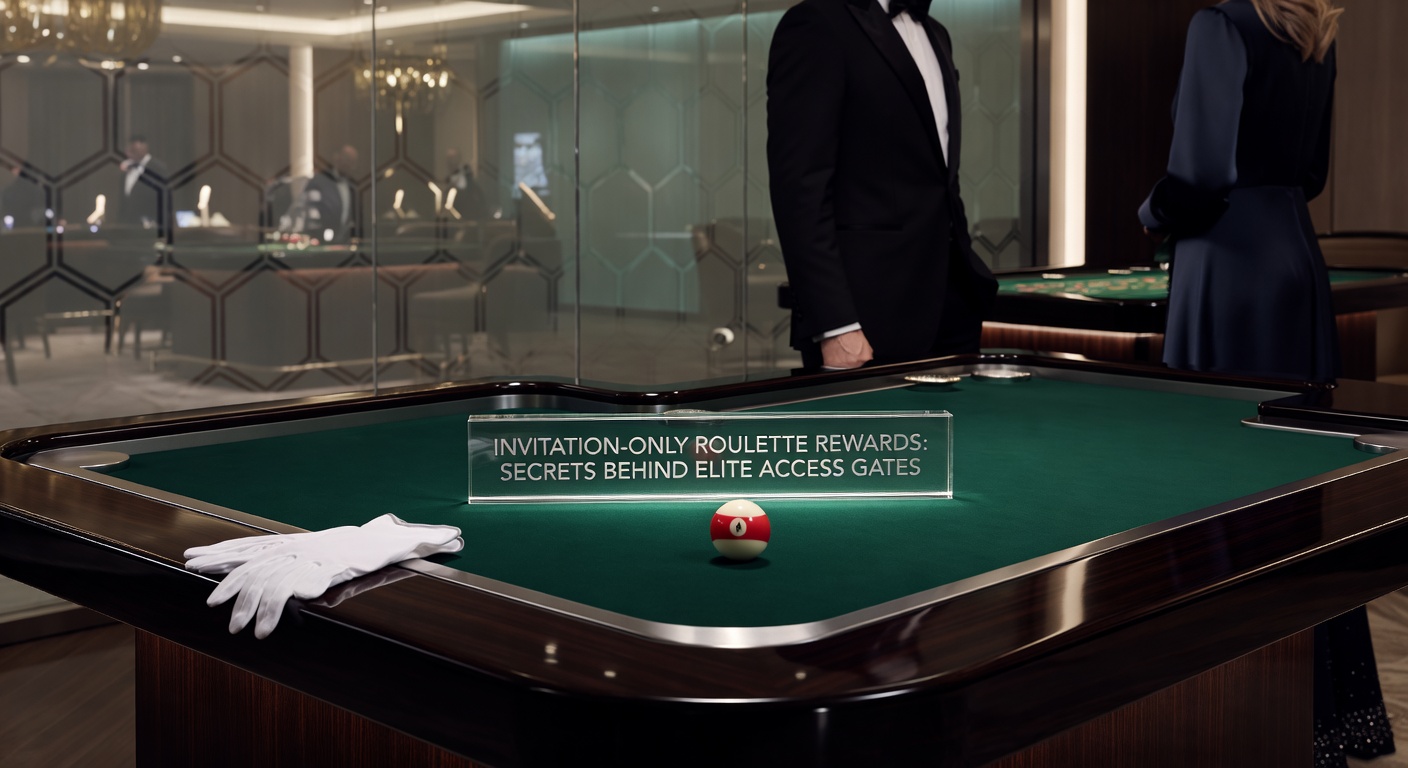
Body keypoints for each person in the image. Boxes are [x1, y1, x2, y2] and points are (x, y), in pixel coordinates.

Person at [1140, 3, 1393, 766]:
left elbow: (1199, 174)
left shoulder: (1220, 24)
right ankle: (1330, 721)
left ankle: (1231, 722)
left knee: (1215, 496)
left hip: (1227, 270)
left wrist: (1151, 212)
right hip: (1293, 260)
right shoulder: (1317, 28)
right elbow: (1311, 172)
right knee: (1297, 500)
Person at [766, 0, 997, 370]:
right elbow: (800, 189)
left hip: (953, 309)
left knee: (965, 429)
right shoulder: (817, 23)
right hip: (866, 315)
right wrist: (835, 324)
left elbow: (938, 179)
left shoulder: (937, 33)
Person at [301, 144, 362, 243]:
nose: (349, 164)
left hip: (345, 244)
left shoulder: (354, 186)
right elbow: (308, 212)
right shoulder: (320, 181)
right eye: (346, 158)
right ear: (336, 157)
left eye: (352, 161)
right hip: (320, 243)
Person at [117, 135, 169, 235]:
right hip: (128, 227)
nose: (129, 151)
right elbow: (123, 201)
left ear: (144, 147)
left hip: (151, 226)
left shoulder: (158, 168)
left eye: (134, 149)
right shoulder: (126, 169)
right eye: (128, 149)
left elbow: (164, 197)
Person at [444, 148, 488, 220]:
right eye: (449, 158)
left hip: (468, 218)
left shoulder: (468, 180)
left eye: (453, 157)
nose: (451, 161)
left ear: (458, 159)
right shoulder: (448, 181)